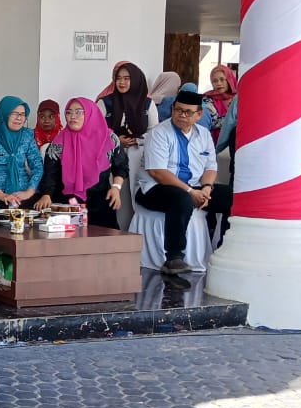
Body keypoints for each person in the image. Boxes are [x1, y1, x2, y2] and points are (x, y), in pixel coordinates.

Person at [134, 90, 233, 275]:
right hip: (155, 188)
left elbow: (211, 167)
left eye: (188, 112)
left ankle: (225, 249)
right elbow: (157, 172)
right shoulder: (159, 133)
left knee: (232, 197)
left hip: (193, 187)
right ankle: (174, 258)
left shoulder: (204, 134)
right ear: (172, 110)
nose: (182, 115)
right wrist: (190, 191)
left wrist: (207, 188)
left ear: (199, 115)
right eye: (178, 110)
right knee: (182, 199)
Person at [34, 97, 128, 229]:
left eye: (78, 112)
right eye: (69, 112)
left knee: (105, 238)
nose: (72, 116)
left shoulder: (108, 138)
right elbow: (51, 173)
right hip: (68, 204)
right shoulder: (59, 142)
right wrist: (47, 194)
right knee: (71, 239)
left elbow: (121, 166)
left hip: (101, 201)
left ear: (90, 113)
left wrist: (116, 188)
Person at [98, 61, 158, 228]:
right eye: (118, 78)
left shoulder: (147, 104)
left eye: (126, 78)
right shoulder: (105, 103)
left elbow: (154, 132)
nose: (122, 82)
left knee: (137, 198)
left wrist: (137, 140)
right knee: (117, 199)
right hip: (111, 158)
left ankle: (136, 233)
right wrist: (116, 140)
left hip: (140, 157)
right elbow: (96, 132)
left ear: (136, 79)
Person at [0, 96, 43, 207]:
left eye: (22, 114)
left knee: (40, 210)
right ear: (5, 114)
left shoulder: (27, 135)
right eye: (14, 113)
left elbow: (38, 166)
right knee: (3, 212)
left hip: (23, 193)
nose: (19, 118)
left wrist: (29, 191)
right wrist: (1, 195)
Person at [204, 65, 238, 145]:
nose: (218, 83)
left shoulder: (239, 98)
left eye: (222, 79)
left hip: (238, 142)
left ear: (229, 80)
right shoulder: (207, 99)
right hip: (216, 143)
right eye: (215, 81)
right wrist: (234, 120)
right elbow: (212, 122)